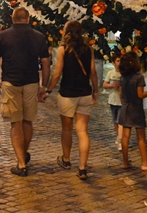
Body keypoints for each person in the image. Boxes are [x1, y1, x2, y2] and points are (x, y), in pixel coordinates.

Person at [0, 7, 51, 177]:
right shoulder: (39, 36)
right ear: (28, 18)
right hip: (31, 82)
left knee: (15, 123)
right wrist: (43, 86)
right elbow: (46, 64)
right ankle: (23, 155)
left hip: (11, 82)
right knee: (28, 121)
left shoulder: (3, 36)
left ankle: (21, 163)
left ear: (13, 18)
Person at [44, 20, 98, 180]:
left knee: (67, 129)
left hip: (67, 94)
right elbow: (93, 72)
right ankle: (82, 168)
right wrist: (95, 90)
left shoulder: (63, 49)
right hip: (85, 93)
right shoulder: (89, 49)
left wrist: (48, 90)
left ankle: (66, 160)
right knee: (82, 131)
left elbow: (57, 73)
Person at [118, 51, 147, 172]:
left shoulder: (122, 77)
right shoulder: (139, 77)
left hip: (125, 107)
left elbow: (120, 94)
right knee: (141, 137)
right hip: (136, 108)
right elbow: (140, 95)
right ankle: (145, 163)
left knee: (125, 136)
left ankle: (125, 162)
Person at [103, 54, 123, 151]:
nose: (120, 63)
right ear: (113, 63)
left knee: (120, 121)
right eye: (118, 61)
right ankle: (119, 136)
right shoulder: (110, 73)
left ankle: (120, 140)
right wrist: (111, 85)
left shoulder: (124, 74)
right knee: (115, 121)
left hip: (121, 102)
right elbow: (104, 84)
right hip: (112, 100)